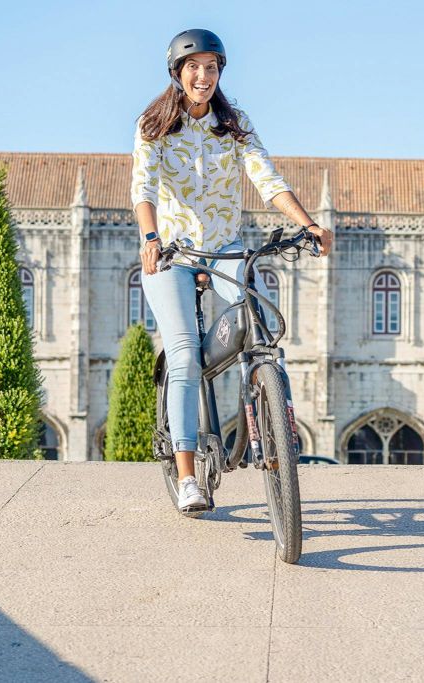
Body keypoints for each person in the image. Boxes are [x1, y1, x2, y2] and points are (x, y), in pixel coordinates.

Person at [131, 28, 333, 511]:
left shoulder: (234, 123)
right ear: (178, 74)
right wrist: (151, 237)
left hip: (226, 250)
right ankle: (186, 477)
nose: (203, 76)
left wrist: (308, 224)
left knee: (260, 334)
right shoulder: (154, 125)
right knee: (183, 354)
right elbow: (144, 187)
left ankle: (272, 427)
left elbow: (266, 177)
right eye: (194, 67)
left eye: (212, 67)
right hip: (174, 255)